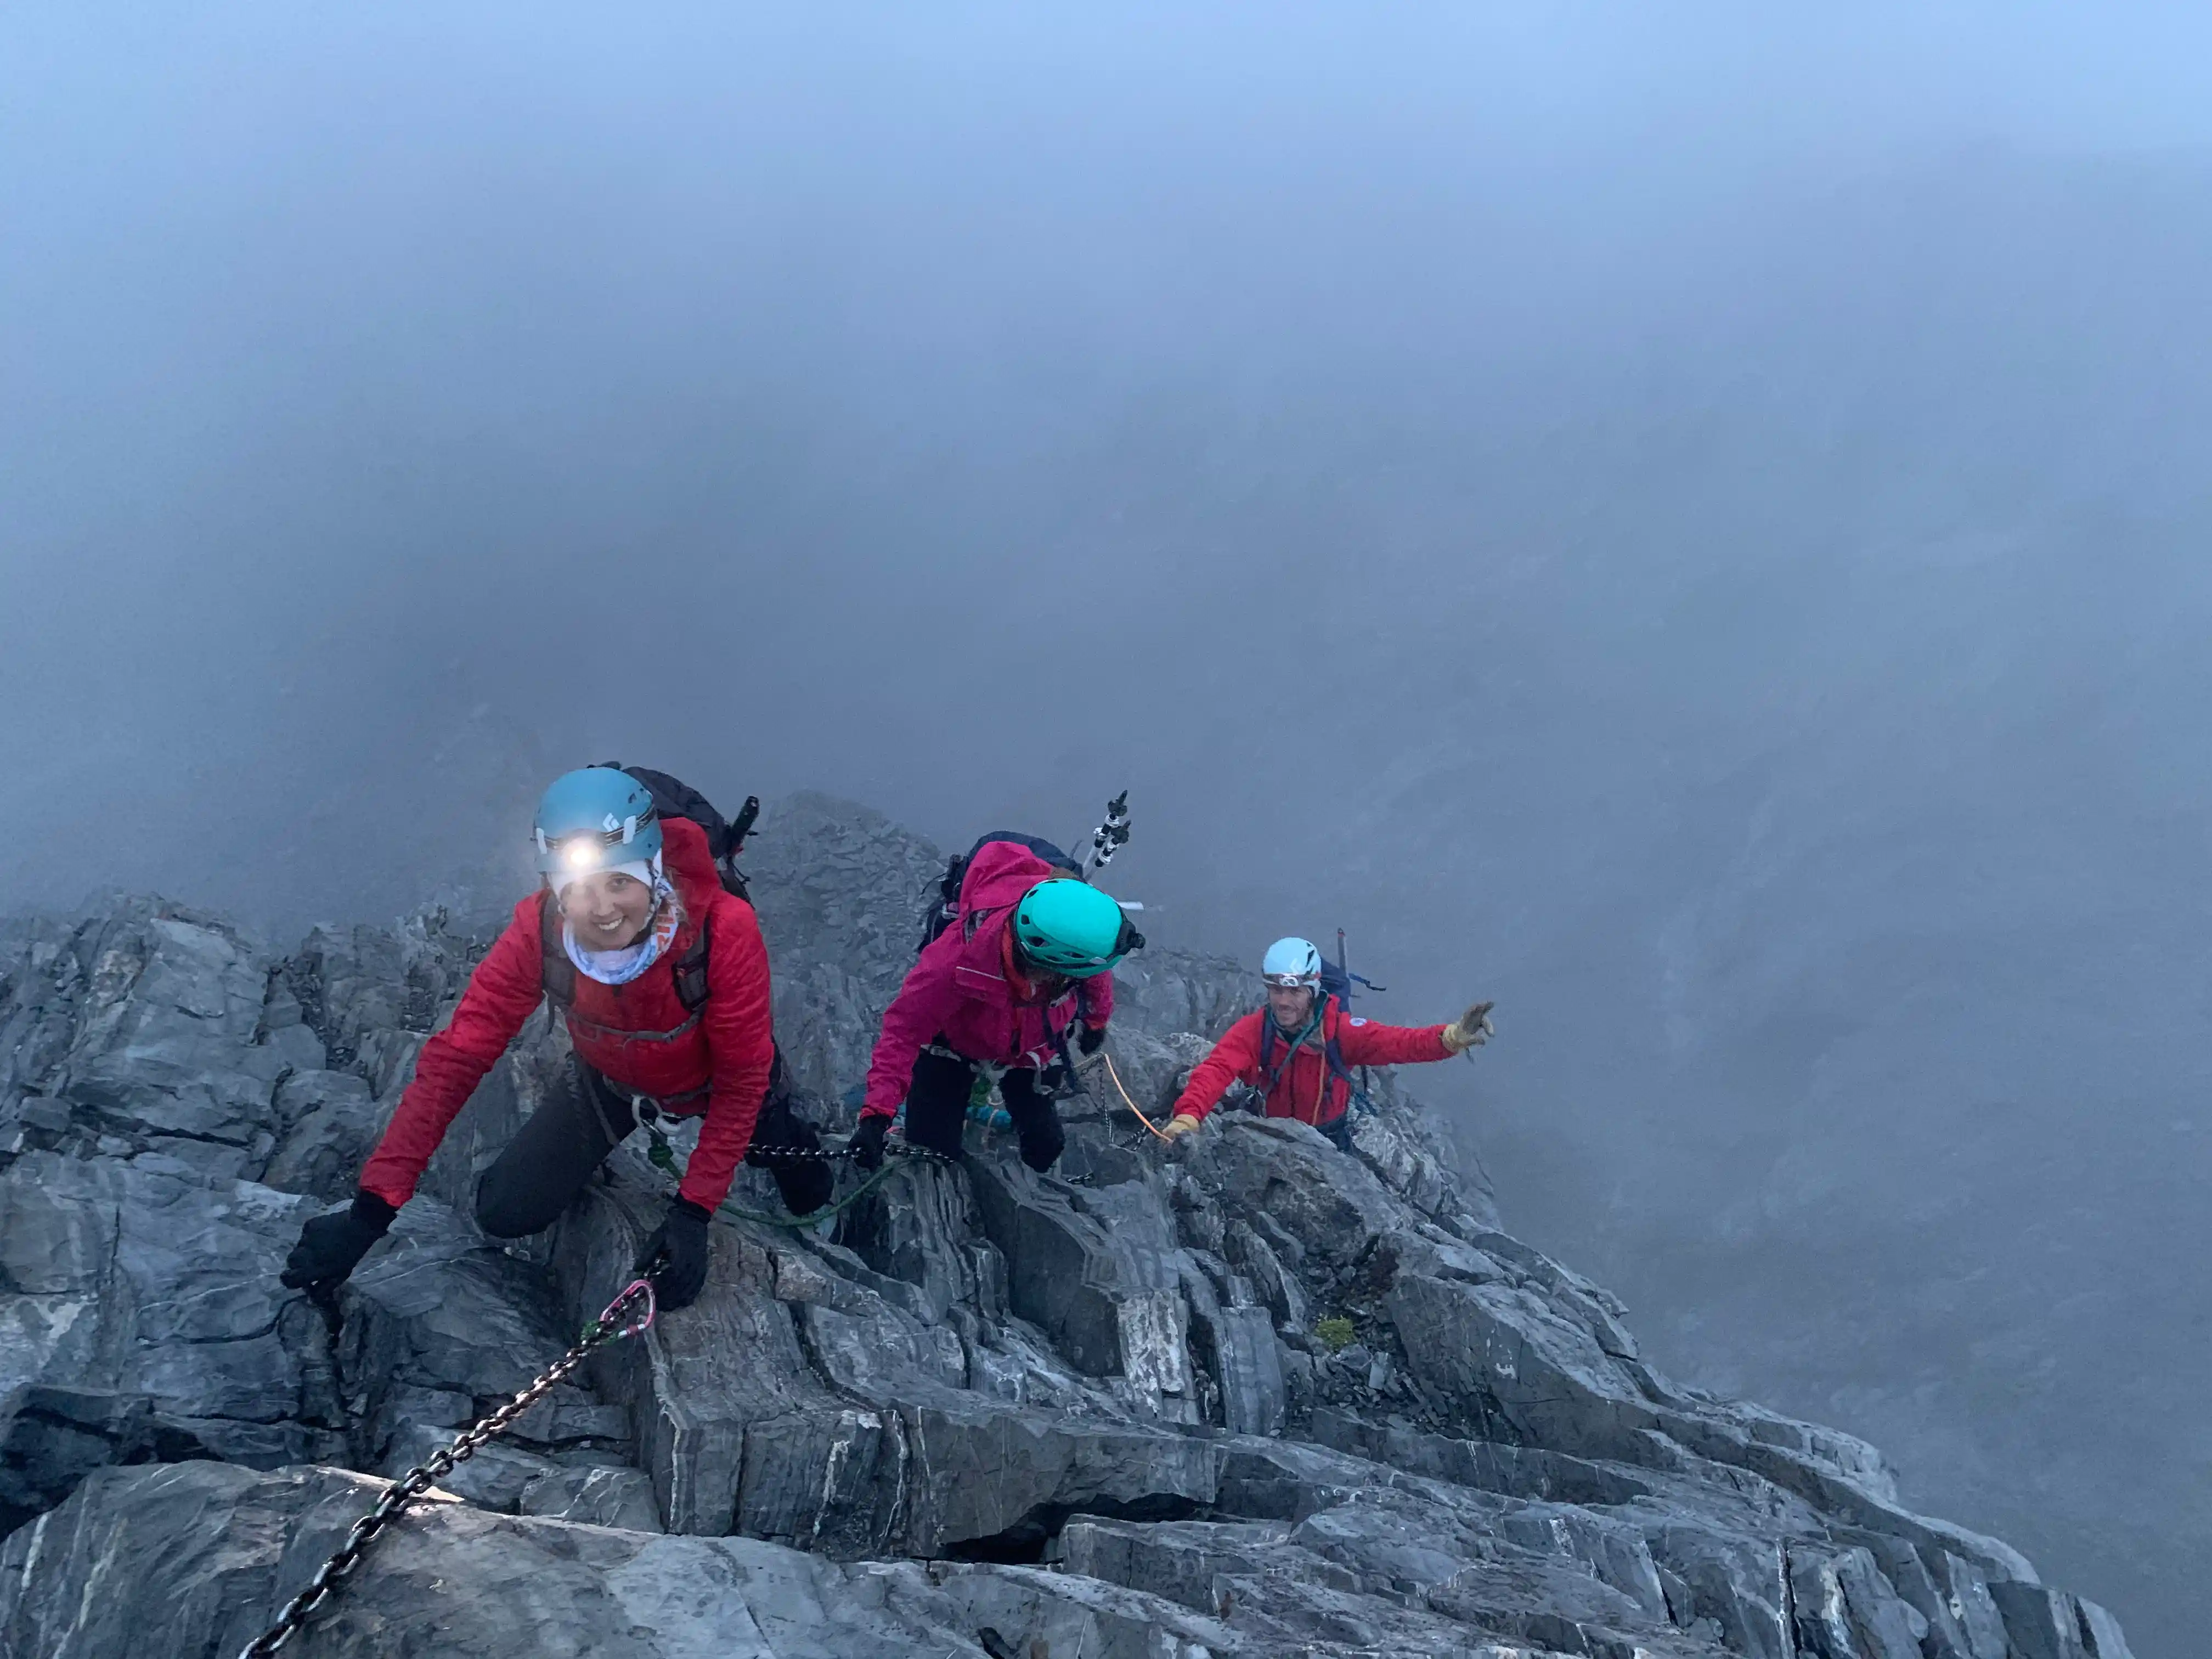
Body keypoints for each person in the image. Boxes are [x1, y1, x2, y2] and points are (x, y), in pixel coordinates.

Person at [280, 766, 797, 1311]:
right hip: (614, 1082)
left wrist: (693, 1212)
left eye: (619, 882)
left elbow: (741, 1080)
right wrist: (371, 1212)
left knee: (803, 1182)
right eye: (579, 889)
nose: (601, 910)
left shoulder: (722, 928)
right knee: (505, 1212)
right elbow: (458, 1056)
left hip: (721, 1084)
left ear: (652, 868)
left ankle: (805, 1164)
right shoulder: (540, 929)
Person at [850, 838, 1142, 1174]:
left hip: (1029, 1052)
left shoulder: (1069, 941)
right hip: (952, 1048)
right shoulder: (954, 963)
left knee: (1046, 1147)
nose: (1077, 979)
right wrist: (876, 1116)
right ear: (1046, 966)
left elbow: (1096, 975)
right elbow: (903, 1033)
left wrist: (1096, 1022)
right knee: (934, 1156)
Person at [1160, 936, 1493, 1151]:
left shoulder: (1342, 1032)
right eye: (1277, 991)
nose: (1284, 1002)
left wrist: (1450, 1038)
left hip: (1327, 1138)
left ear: (1313, 991)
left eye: (1294, 992)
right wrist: (1188, 1116)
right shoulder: (1256, 1030)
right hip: (1270, 1133)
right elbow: (1217, 1069)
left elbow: (1401, 1043)